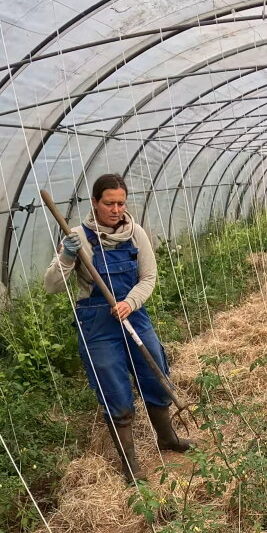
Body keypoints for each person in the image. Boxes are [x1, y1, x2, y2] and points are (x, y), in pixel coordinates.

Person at [44, 172, 192, 482]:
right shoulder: (77, 237)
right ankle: (131, 466)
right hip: (97, 321)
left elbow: (148, 278)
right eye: (109, 203)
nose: (115, 209)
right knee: (113, 387)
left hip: (132, 313)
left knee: (155, 373)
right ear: (95, 203)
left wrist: (130, 302)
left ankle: (167, 438)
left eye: (121, 203)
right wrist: (68, 256)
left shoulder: (135, 233)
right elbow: (52, 286)